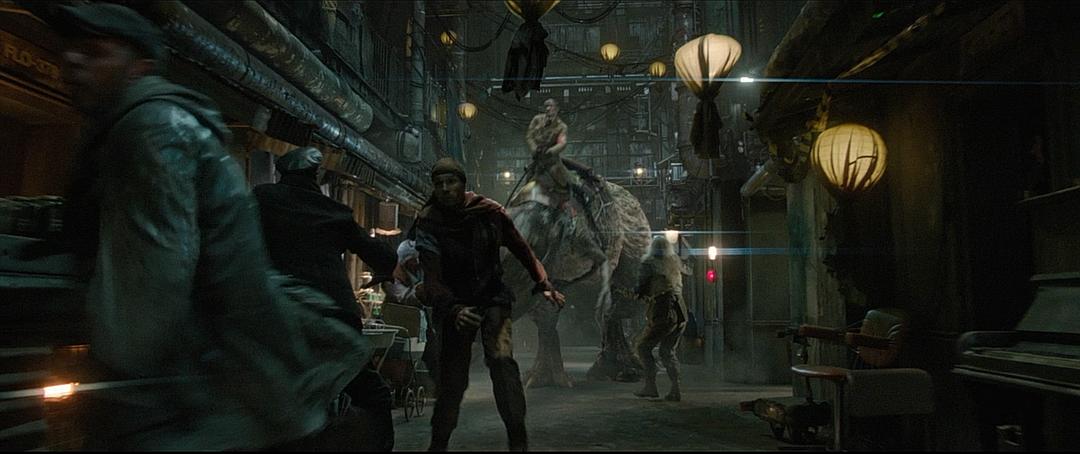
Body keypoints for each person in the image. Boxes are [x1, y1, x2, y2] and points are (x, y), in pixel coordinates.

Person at [42, 3, 366, 450]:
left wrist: (114, 386)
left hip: (190, 383)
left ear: (140, 67)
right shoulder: (136, 125)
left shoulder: (152, 126)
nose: (73, 61)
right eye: (70, 49)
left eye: (95, 51)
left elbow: (152, 286)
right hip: (215, 368)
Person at [413, 158, 565, 452]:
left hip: (492, 297)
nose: (445, 189)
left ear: (462, 184)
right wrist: (454, 309)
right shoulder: (429, 222)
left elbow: (522, 249)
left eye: (451, 182)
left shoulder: (490, 213)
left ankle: (518, 440)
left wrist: (543, 282)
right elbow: (432, 277)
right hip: (455, 304)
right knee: (453, 378)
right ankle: (438, 443)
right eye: (439, 184)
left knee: (502, 364)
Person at [253, 146, 398, 451]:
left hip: (275, 316)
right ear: (315, 175)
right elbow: (383, 256)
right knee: (374, 398)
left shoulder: (260, 199)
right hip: (332, 319)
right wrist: (383, 272)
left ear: (282, 173)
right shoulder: (333, 211)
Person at [633, 235, 688, 402]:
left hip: (663, 308)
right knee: (667, 351)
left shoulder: (649, 263)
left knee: (643, 347)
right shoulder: (675, 261)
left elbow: (641, 286)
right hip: (680, 310)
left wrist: (637, 293)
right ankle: (675, 389)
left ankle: (650, 386)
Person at [524, 98, 605, 207]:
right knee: (528, 181)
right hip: (537, 160)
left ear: (556, 109)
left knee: (564, 180)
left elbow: (562, 142)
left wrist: (551, 151)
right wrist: (534, 148)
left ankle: (583, 196)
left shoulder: (561, 126)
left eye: (550, 106)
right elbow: (529, 135)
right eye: (546, 106)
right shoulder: (536, 120)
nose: (548, 109)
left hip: (552, 161)